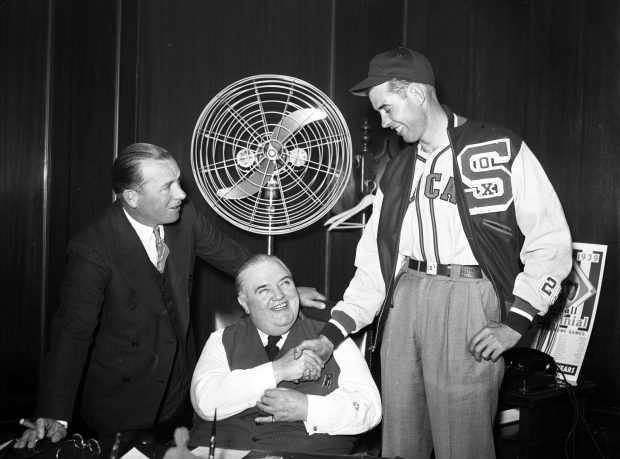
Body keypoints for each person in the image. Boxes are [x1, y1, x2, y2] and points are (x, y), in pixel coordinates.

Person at [293, 47, 573, 459]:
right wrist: (329, 338)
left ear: (418, 94)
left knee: (463, 445)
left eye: (387, 109)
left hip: (467, 299)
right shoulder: (397, 170)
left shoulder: (497, 146)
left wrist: (515, 322)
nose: (385, 123)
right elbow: (374, 267)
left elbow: (550, 240)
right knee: (401, 441)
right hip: (404, 299)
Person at [14, 143, 326, 450]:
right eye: (168, 187)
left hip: (177, 395)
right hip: (119, 408)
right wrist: (53, 412)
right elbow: (73, 333)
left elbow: (232, 256)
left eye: (177, 180)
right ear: (132, 197)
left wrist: (279, 288)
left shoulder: (185, 219)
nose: (182, 193)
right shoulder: (93, 249)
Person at [190, 254, 381, 454]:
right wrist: (278, 370)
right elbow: (205, 401)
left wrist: (307, 407)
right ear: (244, 303)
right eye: (264, 290)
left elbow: (371, 407)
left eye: (285, 283)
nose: (279, 295)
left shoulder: (331, 338)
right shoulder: (221, 339)